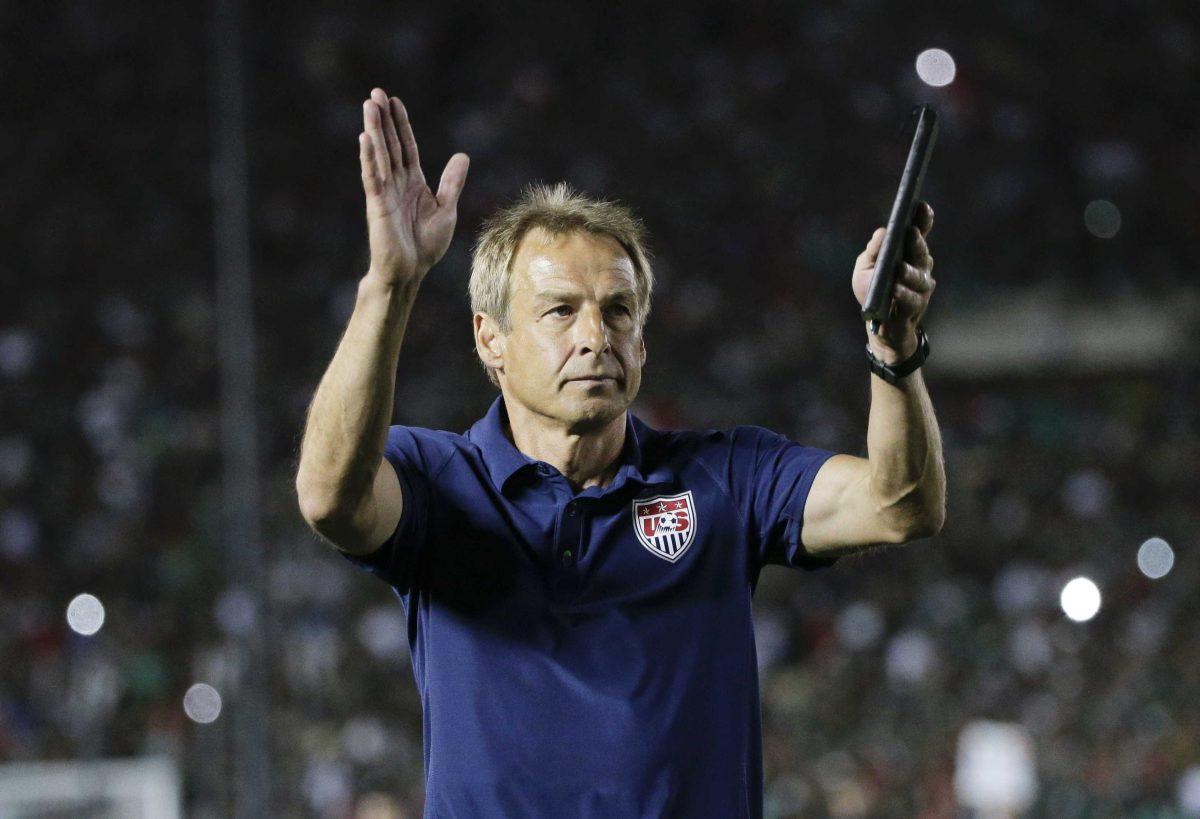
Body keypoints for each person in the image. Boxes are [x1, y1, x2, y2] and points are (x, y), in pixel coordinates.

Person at [295, 87, 945, 818]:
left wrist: (893, 352)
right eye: (559, 310)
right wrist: (390, 283)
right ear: (490, 339)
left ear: (643, 339)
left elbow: (901, 505)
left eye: (618, 310)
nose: (594, 336)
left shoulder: (725, 475)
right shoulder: (438, 481)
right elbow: (329, 496)